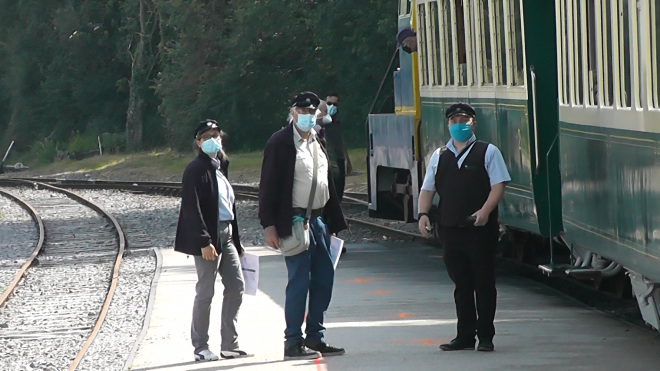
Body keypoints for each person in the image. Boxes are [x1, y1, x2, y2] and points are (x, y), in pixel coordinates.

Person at [258, 91, 348, 360]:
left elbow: (326, 182)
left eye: (311, 112)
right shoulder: (280, 143)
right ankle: (293, 341)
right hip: (295, 221)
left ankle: (315, 336)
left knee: (324, 280)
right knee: (299, 282)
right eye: (303, 111)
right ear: (293, 112)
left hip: (320, 221)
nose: (307, 116)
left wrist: (331, 222)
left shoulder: (317, 140)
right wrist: (269, 225)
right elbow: (268, 187)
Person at [416, 103, 510, 352]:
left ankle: (486, 336)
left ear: (474, 124)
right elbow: (428, 189)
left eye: (464, 120)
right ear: (448, 125)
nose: (459, 125)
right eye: (454, 120)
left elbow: (498, 186)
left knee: (484, 282)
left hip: (479, 230)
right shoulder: (439, 156)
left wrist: (485, 211)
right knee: (462, 284)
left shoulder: (488, 152)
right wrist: (423, 214)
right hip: (450, 229)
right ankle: (465, 335)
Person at [174, 120, 252, 362]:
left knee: (237, 286)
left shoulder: (221, 166)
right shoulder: (195, 169)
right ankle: (201, 347)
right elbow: (192, 208)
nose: (212, 140)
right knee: (206, 291)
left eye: (216, 135)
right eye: (207, 136)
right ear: (198, 142)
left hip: (226, 236)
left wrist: (236, 242)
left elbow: (228, 206)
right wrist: (204, 241)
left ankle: (230, 343)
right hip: (208, 237)